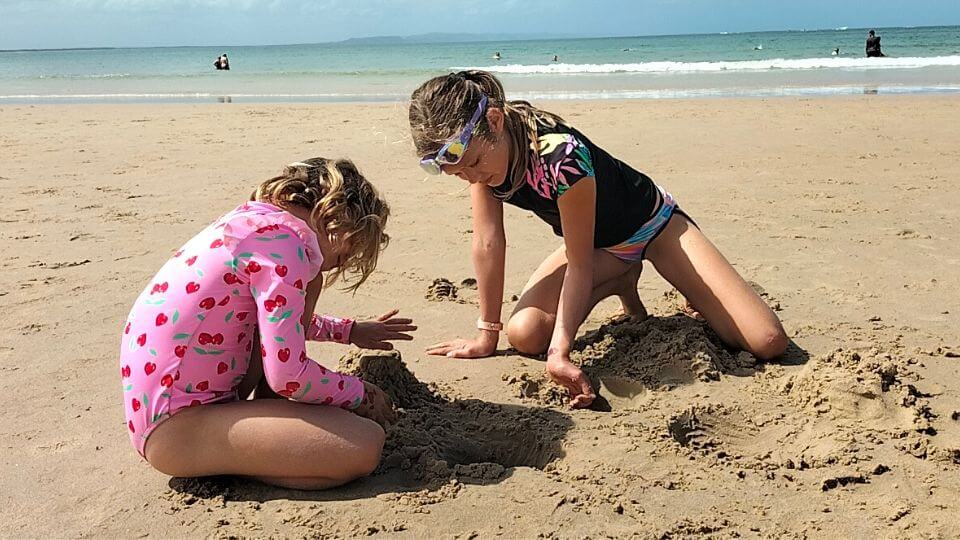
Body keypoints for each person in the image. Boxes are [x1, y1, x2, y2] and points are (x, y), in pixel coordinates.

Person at [409, 71, 787, 408]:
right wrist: (486, 335)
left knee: (767, 341)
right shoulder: (483, 166)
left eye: (472, 163)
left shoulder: (561, 156)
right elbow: (488, 243)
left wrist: (560, 353)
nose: (471, 177)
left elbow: (579, 264)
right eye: (457, 173)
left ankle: (661, 276)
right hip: (596, 246)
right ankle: (622, 277)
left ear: (493, 121)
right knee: (524, 334)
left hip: (654, 226)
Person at [120, 157, 413, 489]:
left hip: (168, 411)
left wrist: (349, 331)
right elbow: (288, 376)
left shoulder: (260, 225)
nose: (340, 265)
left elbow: (273, 318)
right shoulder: (286, 249)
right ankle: (240, 453)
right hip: (177, 430)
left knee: (311, 283)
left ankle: (256, 437)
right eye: (349, 252)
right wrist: (361, 394)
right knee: (363, 445)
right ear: (337, 221)